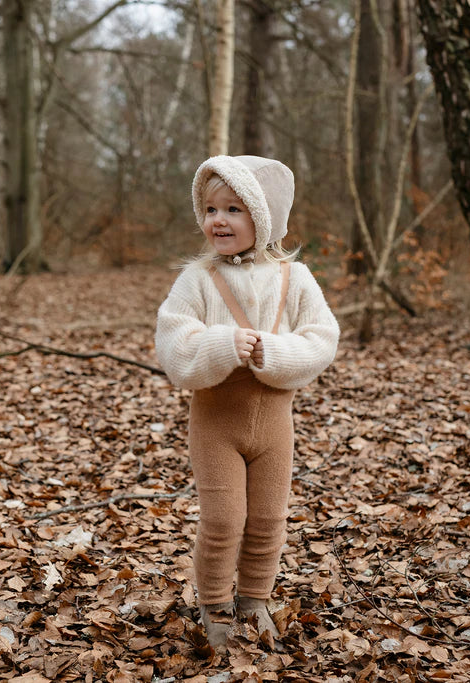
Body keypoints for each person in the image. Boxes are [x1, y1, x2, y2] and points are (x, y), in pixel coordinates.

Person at [155, 155, 339, 654]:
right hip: (216, 421)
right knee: (223, 518)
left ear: (263, 218)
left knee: (267, 518)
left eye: (233, 208)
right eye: (211, 209)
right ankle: (215, 607)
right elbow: (172, 344)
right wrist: (220, 345)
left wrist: (272, 352)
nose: (218, 219)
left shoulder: (293, 278)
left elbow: (323, 339)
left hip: (275, 422)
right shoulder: (197, 280)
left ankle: (254, 601)